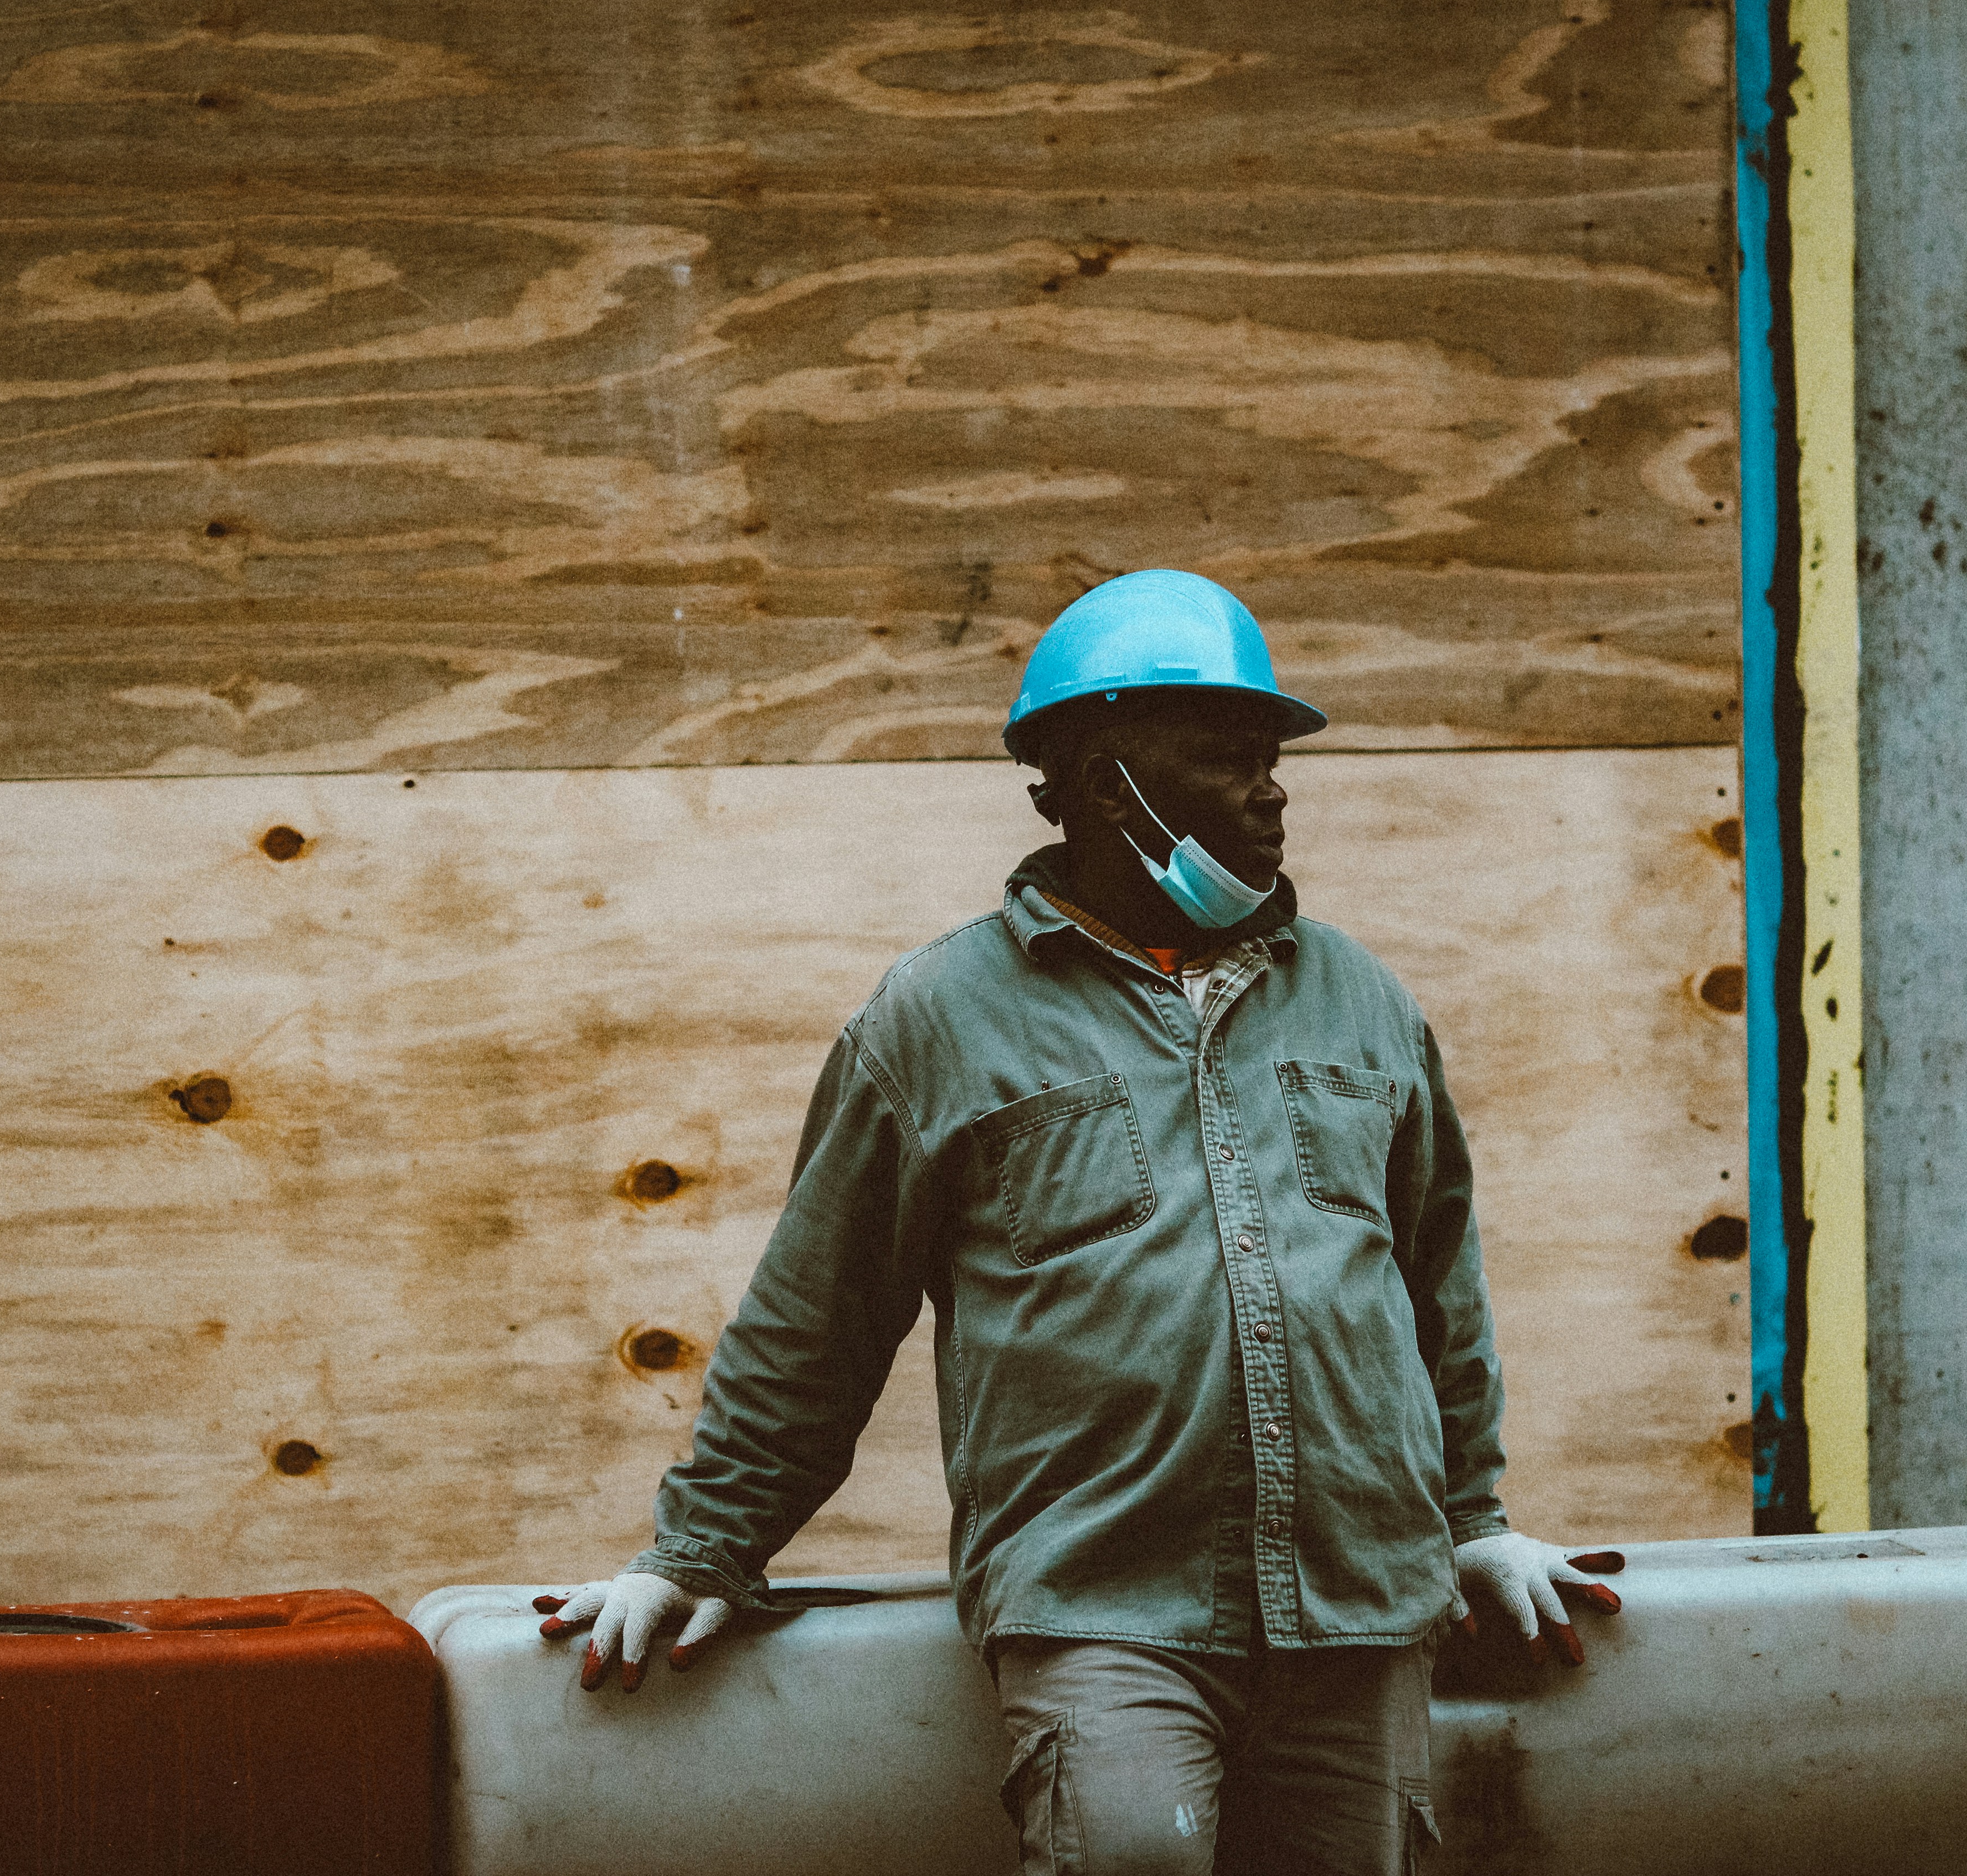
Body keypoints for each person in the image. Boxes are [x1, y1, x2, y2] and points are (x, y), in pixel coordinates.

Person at [535, 569, 1622, 1875]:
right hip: (1107, 1612)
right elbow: (820, 1316)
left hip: (1360, 1607)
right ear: (1111, 786)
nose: (1271, 793)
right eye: (1230, 758)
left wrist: (1475, 1521)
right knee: (1134, 1851)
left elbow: (1436, 1288)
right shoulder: (938, 1019)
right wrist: (702, 1551)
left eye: (1273, 761)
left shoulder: (1363, 1002)